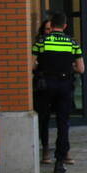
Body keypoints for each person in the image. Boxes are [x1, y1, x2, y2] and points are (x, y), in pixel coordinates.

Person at [32, 12, 84, 173]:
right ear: (65, 26)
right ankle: (60, 161)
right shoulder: (72, 43)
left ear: (52, 25)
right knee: (63, 122)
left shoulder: (42, 42)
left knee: (44, 118)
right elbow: (81, 69)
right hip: (64, 84)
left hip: (45, 85)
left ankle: (45, 150)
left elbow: (31, 65)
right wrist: (69, 68)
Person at [32, 18, 53, 164]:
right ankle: (45, 149)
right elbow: (32, 64)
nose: (49, 32)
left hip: (59, 84)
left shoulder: (63, 44)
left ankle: (64, 151)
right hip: (42, 86)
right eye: (47, 29)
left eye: (51, 29)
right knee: (43, 119)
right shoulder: (39, 44)